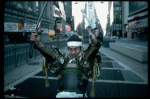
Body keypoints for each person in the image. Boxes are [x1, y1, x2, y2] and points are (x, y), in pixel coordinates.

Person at [30, 28, 103, 98]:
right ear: (67, 49)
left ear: (81, 48)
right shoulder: (62, 60)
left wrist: (95, 44)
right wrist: (38, 44)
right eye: (71, 49)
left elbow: (88, 58)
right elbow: (52, 56)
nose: (73, 52)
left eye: (76, 49)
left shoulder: (85, 59)